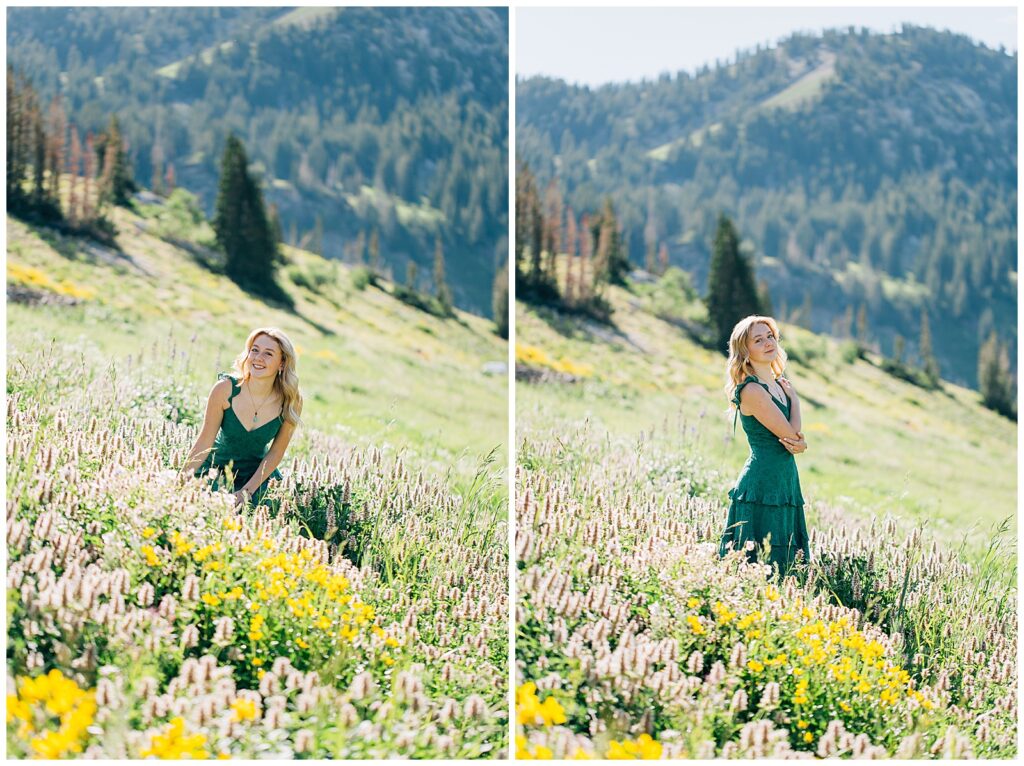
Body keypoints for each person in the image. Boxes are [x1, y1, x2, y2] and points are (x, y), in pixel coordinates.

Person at [718, 315, 810, 578]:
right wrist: (796, 400)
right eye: (758, 340)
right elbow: (792, 436)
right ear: (745, 351)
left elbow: (796, 439)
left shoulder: (778, 385)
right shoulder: (752, 391)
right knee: (755, 565)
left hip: (785, 480)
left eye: (770, 336)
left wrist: (798, 439)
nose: (768, 342)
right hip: (761, 484)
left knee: (785, 565)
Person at [181, 327, 303, 508]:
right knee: (208, 506)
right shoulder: (225, 389)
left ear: (282, 363)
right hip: (216, 470)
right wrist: (181, 480)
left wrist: (247, 491)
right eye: (254, 350)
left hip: (256, 476)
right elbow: (205, 440)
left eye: (268, 353)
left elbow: (276, 452)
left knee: (271, 511)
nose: (258, 358)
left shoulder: (291, 401)